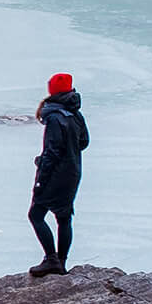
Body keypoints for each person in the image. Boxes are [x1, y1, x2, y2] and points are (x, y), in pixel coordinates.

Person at [29, 72, 88, 276]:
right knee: (63, 218)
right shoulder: (75, 113)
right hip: (73, 173)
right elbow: (84, 142)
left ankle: (51, 259)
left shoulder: (54, 117)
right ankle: (61, 263)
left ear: (52, 90)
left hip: (56, 175)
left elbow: (52, 152)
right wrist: (70, 153)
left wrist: (41, 178)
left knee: (35, 215)